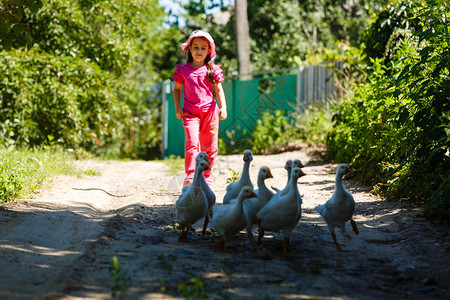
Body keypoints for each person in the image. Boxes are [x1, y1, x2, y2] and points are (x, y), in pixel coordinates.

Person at [173, 30, 227, 187]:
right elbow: (177, 89)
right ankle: (190, 175)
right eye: (195, 47)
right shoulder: (183, 71)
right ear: (189, 49)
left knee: (209, 146)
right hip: (190, 114)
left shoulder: (212, 70)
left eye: (203, 48)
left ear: (209, 51)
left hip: (210, 114)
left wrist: (223, 107)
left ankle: (206, 176)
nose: (199, 51)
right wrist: (178, 107)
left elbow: (219, 90)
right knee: (193, 142)